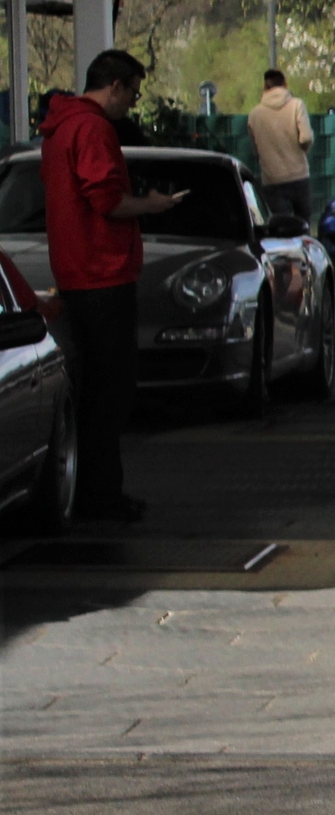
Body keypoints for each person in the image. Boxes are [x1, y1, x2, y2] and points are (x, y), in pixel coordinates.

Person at [39, 49, 178, 523]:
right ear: (114, 85)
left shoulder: (59, 129)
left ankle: (92, 490)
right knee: (111, 390)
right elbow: (106, 200)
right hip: (103, 272)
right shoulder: (93, 128)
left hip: (75, 270)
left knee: (93, 388)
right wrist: (153, 204)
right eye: (133, 93)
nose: (133, 104)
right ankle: (102, 495)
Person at [247, 68, 315, 222]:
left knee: (281, 226)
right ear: (285, 83)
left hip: (272, 178)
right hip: (299, 175)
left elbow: (256, 151)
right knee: (303, 223)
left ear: (265, 87)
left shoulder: (255, 114)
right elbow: (306, 138)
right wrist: (302, 152)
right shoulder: (297, 105)